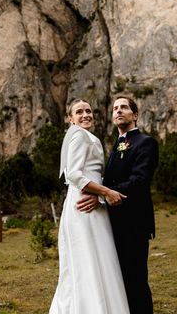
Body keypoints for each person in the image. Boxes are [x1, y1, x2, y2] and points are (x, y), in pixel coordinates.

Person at [77, 96, 159, 314]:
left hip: (134, 223)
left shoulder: (146, 142)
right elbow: (109, 180)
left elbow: (139, 181)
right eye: (115, 108)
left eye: (124, 107)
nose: (119, 111)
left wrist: (102, 196)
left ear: (135, 114)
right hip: (113, 223)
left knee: (136, 280)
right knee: (119, 280)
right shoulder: (117, 144)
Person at [49, 99, 130, 314]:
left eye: (88, 111)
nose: (85, 115)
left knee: (98, 259)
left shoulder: (88, 137)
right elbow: (74, 174)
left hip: (92, 204)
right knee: (89, 261)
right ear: (70, 118)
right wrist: (106, 192)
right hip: (84, 206)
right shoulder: (78, 135)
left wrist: (100, 197)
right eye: (79, 112)